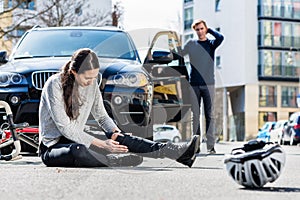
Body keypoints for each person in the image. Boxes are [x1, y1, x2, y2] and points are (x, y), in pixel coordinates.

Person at [38, 48, 200, 168]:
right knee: (78, 150)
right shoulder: (54, 85)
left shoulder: (92, 83)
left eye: (95, 77)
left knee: (118, 137)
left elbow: (102, 116)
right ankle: (114, 160)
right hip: (53, 147)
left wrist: (116, 132)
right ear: (74, 72)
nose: (91, 81)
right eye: (87, 78)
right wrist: (102, 145)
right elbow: (66, 129)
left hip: (80, 138)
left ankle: (177, 152)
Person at [182, 19, 224, 154]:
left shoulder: (211, 44)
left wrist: (210, 29)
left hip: (209, 85)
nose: (200, 31)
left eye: (202, 29)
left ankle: (211, 146)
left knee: (209, 115)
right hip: (194, 84)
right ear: (195, 31)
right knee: (195, 115)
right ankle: (196, 146)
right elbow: (180, 54)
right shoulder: (191, 44)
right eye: (198, 29)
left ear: (205, 29)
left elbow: (221, 37)